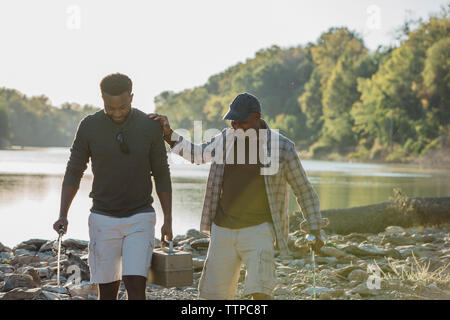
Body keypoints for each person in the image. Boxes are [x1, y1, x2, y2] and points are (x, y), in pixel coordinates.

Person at [149, 92, 328, 300]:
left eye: (240, 122)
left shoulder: (282, 146)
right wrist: (169, 134)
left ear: (256, 117)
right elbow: (197, 155)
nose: (235, 126)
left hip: (260, 230)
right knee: (213, 296)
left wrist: (314, 227)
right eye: (232, 122)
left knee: (261, 291)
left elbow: (303, 189)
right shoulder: (225, 138)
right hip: (222, 229)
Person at [53, 73, 173, 300]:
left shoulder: (149, 126)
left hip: (140, 217)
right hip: (102, 219)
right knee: (107, 291)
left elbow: (162, 173)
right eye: (110, 108)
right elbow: (74, 170)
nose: (117, 113)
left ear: (132, 97)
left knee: (136, 285)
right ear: (102, 99)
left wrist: (168, 218)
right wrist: (63, 214)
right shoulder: (89, 126)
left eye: (123, 107)